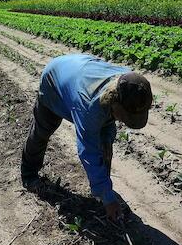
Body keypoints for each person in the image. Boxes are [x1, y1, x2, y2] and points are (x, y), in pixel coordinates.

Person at [21, 54, 153, 222]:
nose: (124, 121)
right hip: (54, 80)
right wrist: (109, 199)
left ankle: (101, 189)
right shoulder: (89, 106)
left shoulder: (130, 84)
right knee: (42, 132)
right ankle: (29, 174)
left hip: (79, 70)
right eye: (125, 116)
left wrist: (105, 190)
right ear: (114, 102)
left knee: (105, 142)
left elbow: (108, 129)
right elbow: (88, 152)